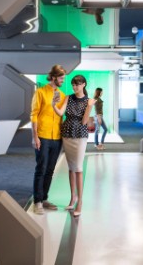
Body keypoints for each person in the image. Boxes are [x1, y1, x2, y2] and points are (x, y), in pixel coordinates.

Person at [52, 75, 96, 217]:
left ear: (83, 84)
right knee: (71, 168)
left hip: (80, 134)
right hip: (67, 133)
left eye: (77, 84)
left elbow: (84, 122)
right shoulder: (68, 98)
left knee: (78, 168)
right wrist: (53, 104)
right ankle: (73, 198)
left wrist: (89, 107)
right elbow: (60, 113)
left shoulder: (89, 101)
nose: (74, 87)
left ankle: (80, 202)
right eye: (73, 85)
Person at [30, 64, 66, 215]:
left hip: (56, 137)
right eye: (61, 78)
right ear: (53, 77)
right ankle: (37, 201)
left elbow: (61, 115)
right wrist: (35, 137)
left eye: (64, 78)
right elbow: (34, 115)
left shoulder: (62, 95)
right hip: (43, 136)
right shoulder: (40, 92)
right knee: (41, 169)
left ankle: (44, 198)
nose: (63, 80)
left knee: (50, 170)